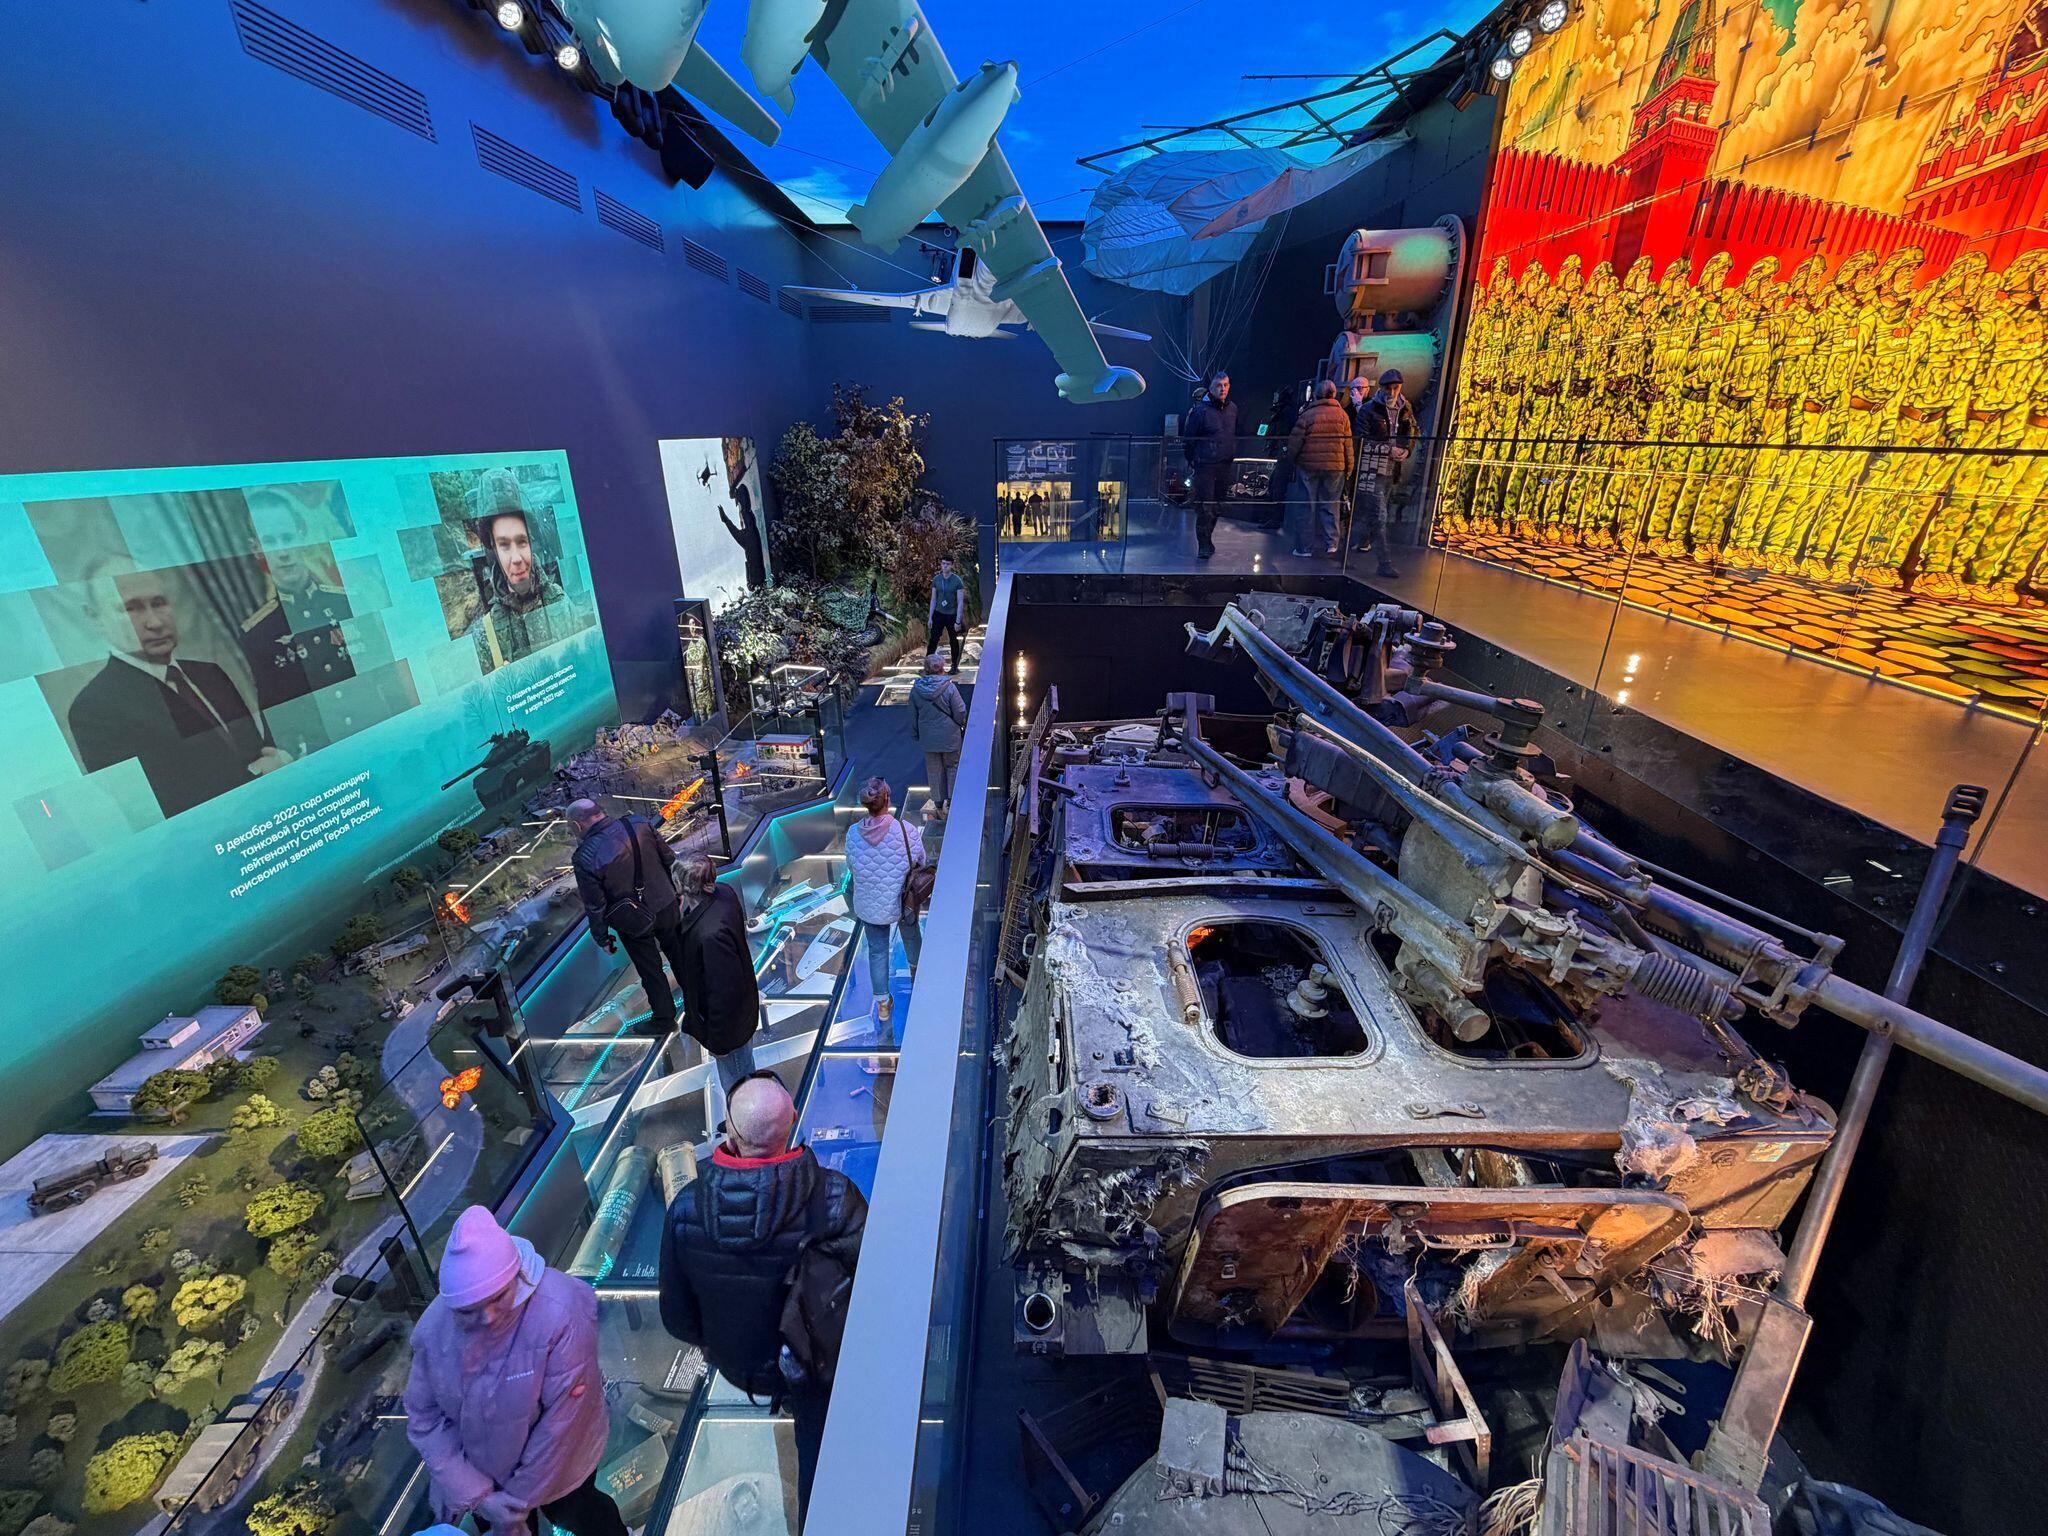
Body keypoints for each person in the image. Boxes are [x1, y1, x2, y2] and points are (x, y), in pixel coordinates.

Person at [658, 1074, 867, 1525]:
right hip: (814, 1367)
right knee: (815, 1456)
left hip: (739, 1367)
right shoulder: (834, 1197)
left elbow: (677, 1318)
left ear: (730, 1132)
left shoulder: (686, 1208)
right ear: (793, 1123)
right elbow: (870, 1289)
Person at [404, 1205, 626, 1536]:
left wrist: (513, 1505)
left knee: (584, 1515)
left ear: (519, 1276)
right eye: (469, 1311)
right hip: (485, 1483)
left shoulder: (561, 1311)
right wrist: (480, 1497)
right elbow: (424, 1419)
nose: (487, 1317)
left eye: (498, 1298)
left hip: (560, 1471)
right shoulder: (433, 1331)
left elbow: (561, 1427)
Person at [66, 557, 289, 818]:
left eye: (159, 603)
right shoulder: (94, 709)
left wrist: (276, 762)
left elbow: (253, 751)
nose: (155, 622)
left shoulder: (209, 673)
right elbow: (150, 807)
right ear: (95, 618)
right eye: (131, 609)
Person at [570, 799, 758, 1093]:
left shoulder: (585, 857)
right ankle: (693, 1004)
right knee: (683, 956)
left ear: (577, 825)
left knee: (650, 970)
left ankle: (664, 1017)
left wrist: (602, 937)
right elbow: (669, 858)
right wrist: (680, 892)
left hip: (634, 921)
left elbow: (595, 904)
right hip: (667, 905)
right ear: (600, 811)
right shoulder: (638, 824)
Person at [240, 485, 356, 710]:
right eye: (270, 542)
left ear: (301, 534)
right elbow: (279, 714)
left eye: (287, 538)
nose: (283, 553)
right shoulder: (257, 635)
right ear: (256, 549)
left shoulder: (346, 603)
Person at [843, 776, 924, 1040]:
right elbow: (921, 861)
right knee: (911, 936)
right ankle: (918, 977)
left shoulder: (852, 834)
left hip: (870, 905)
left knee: (877, 952)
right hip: (903, 902)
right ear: (887, 799)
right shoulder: (905, 830)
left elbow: (851, 866)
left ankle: (883, 1005)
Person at [671, 852, 762, 1084]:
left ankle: (746, 1106)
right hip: (741, 1014)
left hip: (730, 1031)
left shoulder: (710, 935)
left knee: (738, 1083)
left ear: (682, 886)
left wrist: (720, 1044)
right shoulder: (725, 893)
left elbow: (723, 993)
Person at [468, 470, 566, 666]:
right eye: (504, 545)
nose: (516, 558)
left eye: (521, 542)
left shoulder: (560, 603)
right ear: (494, 549)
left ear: (530, 543)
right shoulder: (486, 635)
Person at [1353, 369, 1418, 577]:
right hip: (1373, 470)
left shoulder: (1405, 408)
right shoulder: (1369, 409)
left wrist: (1407, 450)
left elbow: (1413, 431)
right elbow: (1360, 439)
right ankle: (1384, 562)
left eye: (1395, 388)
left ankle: (1356, 542)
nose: (1392, 392)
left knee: (1375, 514)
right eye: (1388, 388)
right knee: (1379, 516)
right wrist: (1387, 449)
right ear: (1381, 388)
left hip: (1392, 470)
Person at [1287, 380, 1358, 557]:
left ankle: (1304, 548)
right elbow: (1348, 445)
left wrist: (1291, 461)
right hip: (1335, 467)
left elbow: (1295, 442)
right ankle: (1332, 545)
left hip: (1309, 465)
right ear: (1334, 395)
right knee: (1331, 505)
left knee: (1306, 506)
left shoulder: (1307, 415)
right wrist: (1349, 469)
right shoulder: (1343, 416)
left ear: (1316, 395)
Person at [1181, 370, 1239, 560]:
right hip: (1205, 465)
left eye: (1226, 385)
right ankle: (1204, 544)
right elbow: (1189, 439)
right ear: (1211, 387)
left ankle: (1207, 540)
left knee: (1217, 505)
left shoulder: (1232, 409)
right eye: (1219, 386)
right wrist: (1193, 460)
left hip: (1224, 464)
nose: (1223, 389)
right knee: (1205, 506)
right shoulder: (1200, 411)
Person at [908, 653, 968, 819]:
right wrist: (959, 723)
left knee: (934, 769)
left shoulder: (916, 690)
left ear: (925, 669)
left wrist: (916, 733)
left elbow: (912, 715)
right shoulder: (949, 688)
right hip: (950, 736)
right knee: (952, 766)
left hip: (928, 738)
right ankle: (953, 800)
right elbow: (960, 710)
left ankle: (938, 802)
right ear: (942, 668)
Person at [926, 555, 968, 673]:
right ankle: (928, 665)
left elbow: (960, 602)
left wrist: (958, 621)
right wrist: (930, 617)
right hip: (938, 613)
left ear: (952, 565)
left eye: (947, 564)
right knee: (933, 639)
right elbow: (933, 599)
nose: (945, 566)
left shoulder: (957, 581)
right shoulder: (937, 579)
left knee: (953, 640)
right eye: (943, 563)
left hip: (951, 615)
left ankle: (954, 665)